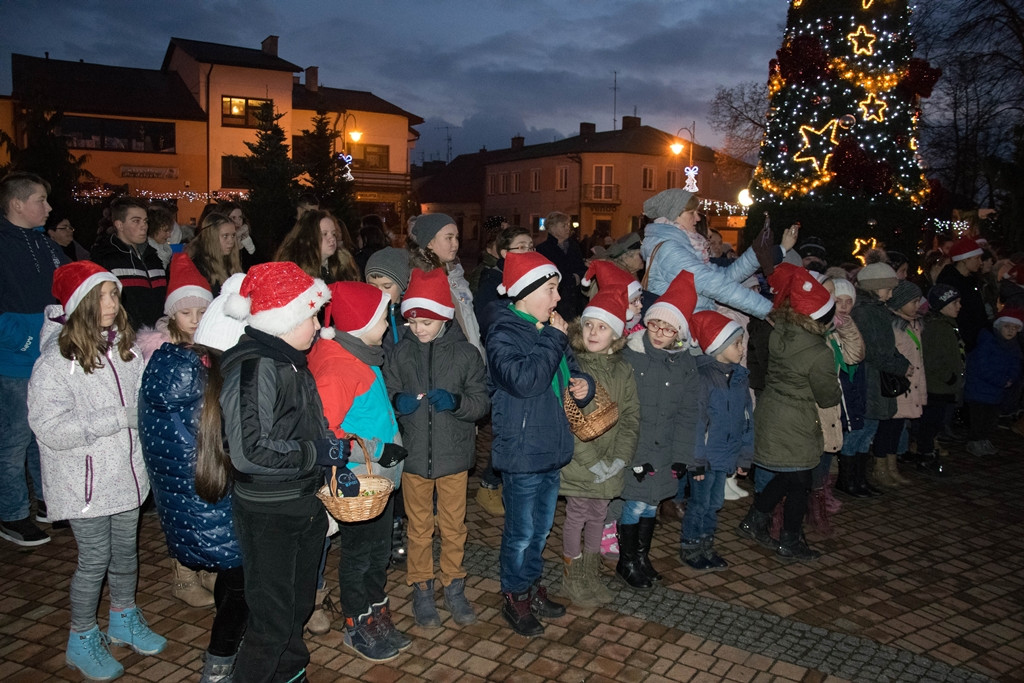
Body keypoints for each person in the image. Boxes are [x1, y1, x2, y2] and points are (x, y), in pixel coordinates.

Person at [29, 261, 166, 680]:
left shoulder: (122, 347)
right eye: (103, 294)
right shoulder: (56, 361)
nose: (112, 301)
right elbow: (48, 427)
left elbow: (140, 398)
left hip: (126, 476)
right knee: (94, 561)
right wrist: (116, 418)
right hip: (85, 483)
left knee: (126, 554)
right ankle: (82, 636)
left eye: (113, 293)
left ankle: (123, 618)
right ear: (80, 303)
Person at [219, 262, 341, 683]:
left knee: (297, 606)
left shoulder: (291, 361)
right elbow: (250, 451)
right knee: (270, 620)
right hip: (269, 511)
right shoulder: (256, 367)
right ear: (284, 318)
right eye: (310, 315)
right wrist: (315, 452)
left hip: (300, 502)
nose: (318, 325)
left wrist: (326, 454)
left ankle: (290, 674)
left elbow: (305, 421)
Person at [139, 273, 248, 683]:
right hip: (215, 507)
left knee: (231, 582)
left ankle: (228, 643)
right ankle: (218, 665)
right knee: (242, 588)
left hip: (187, 508)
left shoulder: (167, 367)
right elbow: (229, 447)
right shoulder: (206, 381)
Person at [487, 250, 594, 637]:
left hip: (551, 447)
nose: (556, 299)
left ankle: (530, 587)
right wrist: (552, 335)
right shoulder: (503, 332)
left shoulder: (548, 329)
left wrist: (584, 386)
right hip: (523, 452)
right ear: (525, 292)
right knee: (521, 532)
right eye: (550, 290)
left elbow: (568, 369)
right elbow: (526, 380)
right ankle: (514, 594)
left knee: (540, 529)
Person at [308, 281, 410, 662]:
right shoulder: (337, 366)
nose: (388, 324)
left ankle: (376, 614)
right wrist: (379, 450)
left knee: (377, 550)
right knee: (359, 554)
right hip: (358, 480)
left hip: (377, 477)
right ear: (361, 322)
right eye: (383, 317)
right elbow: (326, 432)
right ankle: (357, 623)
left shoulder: (360, 353)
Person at [384, 268, 490, 628]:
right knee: (418, 527)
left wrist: (457, 403)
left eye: (426, 321)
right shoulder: (400, 353)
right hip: (414, 457)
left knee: (453, 525)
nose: (419, 328)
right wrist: (399, 401)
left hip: (453, 457)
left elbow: (481, 402)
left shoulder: (466, 354)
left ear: (444, 316)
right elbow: (387, 392)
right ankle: (421, 586)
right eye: (413, 321)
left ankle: (454, 584)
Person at [738, 264, 840, 562]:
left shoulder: (780, 333)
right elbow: (826, 395)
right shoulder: (819, 352)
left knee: (791, 476)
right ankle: (789, 540)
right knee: (800, 482)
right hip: (795, 420)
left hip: (771, 411)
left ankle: (755, 520)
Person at [558, 287, 639, 606]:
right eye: (589, 325)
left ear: (617, 334)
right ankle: (572, 578)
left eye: (602, 327)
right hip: (582, 462)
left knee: (599, 515)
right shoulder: (575, 366)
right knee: (577, 514)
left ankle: (590, 575)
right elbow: (569, 415)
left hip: (611, 461)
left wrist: (620, 458)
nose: (593, 332)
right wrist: (591, 460)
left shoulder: (623, 369)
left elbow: (631, 415)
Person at [0, 172, 68, 547]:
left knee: (42, 435)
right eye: (40, 199)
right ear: (16, 204)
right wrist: (26, 340)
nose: (48, 207)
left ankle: (47, 501)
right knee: (12, 442)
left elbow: (66, 285)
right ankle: (11, 514)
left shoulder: (43, 244)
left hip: (47, 355)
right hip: (14, 360)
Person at [620, 271, 700, 588]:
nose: (659, 333)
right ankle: (627, 561)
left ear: (679, 332)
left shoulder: (685, 363)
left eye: (668, 329)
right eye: (655, 324)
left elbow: (687, 413)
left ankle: (641, 556)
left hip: (665, 449)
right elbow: (624, 409)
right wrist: (631, 452)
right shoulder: (631, 355)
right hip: (637, 447)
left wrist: (682, 456)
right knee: (635, 502)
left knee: (652, 504)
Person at [640, 188, 799, 318]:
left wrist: (756, 254)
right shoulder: (670, 250)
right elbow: (714, 285)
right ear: (673, 215)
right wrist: (769, 310)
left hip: (691, 321)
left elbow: (725, 277)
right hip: (683, 330)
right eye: (692, 213)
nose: (697, 219)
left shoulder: (685, 246)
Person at [681, 310, 752, 570]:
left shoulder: (740, 378)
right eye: (736, 344)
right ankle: (690, 546)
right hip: (706, 457)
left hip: (726, 454)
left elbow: (746, 419)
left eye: (742, 343)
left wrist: (745, 454)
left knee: (714, 504)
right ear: (718, 346)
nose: (742, 348)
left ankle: (706, 545)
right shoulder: (702, 378)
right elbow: (697, 423)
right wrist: (696, 460)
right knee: (699, 504)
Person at [850, 262, 911, 490]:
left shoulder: (876, 309)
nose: (891, 293)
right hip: (869, 378)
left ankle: (860, 477)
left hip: (877, 377)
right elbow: (873, 351)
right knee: (863, 430)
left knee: (869, 430)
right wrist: (899, 366)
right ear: (875, 287)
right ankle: (852, 479)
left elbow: (887, 346)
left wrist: (901, 362)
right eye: (888, 288)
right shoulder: (865, 312)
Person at [409, 213, 484, 358]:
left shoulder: (455, 273)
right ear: (429, 242)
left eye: (456, 237)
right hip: (452, 362)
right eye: (448, 238)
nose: (455, 243)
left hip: (471, 357)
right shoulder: (424, 281)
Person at [91, 196, 167, 329]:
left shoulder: (152, 257)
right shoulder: (105, 258)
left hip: (157, 335)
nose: (144, 226)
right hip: (125, 337)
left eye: (145, 221)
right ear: (119, 225)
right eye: (136, 221)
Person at [917, 285, 964, 473]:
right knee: (931, 422)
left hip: (944, 386)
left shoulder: (947, 324)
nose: (959, 306)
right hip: (937, 386)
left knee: (935, 422)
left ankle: (930, 453)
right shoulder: (938, 327)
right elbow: (933, 359)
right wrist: (949, 377)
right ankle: (926, 457)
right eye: (955, 303)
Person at [964, 308, 1023, 456]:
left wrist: (1011, 378)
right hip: (980, 389)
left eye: (1014, 328)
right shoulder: (987, 343)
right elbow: (981, 367)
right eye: (1007, 327)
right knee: (979, 418)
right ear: (999, 326)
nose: (1010, 331)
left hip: (996, 390)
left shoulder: (1013, 347)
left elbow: (1016, 364)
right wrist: (1001, 380)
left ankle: (984, 439)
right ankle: (975, 441)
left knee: (991, 419)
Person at [887, 280, 926, 481]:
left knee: (899, 426)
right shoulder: (894, 326)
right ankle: (886, 467)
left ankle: (891, 465)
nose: (917, 306)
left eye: (919, 301)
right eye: (913, 302)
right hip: (898, 386)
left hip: (911, 383)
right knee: (891, 427)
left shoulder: (916, 324)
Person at [277, 209, 361, 284]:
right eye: (325, 234)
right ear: (309, 237)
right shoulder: (294, 271)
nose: (332, 238)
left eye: (334, 233)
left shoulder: (343, 267)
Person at [936, 237, 988, 351]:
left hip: (977, 338)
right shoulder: (950, 282)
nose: (980, 262)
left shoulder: (971, 279)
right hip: (964, 341)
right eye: (977, 258)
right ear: (964, 259)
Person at [535, 211, 587, 320]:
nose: (568, 228)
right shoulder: (543, 249)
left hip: (576, 299)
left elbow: (581, 267)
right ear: (552, 228)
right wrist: (569, 279)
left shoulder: (574, 246)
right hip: (557, 301)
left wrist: (579, 276)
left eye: (568, 225)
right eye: (564, 225)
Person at [364, 246, 412, 352]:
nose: (380, 293)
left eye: (387, 286)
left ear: (402, 286)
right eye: (373, 286)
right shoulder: (364, 316)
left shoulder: (413, 313)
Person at [186, 212, 242, 297]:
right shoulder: (198, 267)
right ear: (212, 237)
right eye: (225, 236)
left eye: (233, 235)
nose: (231, 241)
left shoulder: (230, 262)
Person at [146, 204, 174, 269]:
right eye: (166, 231)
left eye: (169, 231)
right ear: (153, 229)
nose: (169, 235)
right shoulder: (147, 253)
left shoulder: (165, 249)